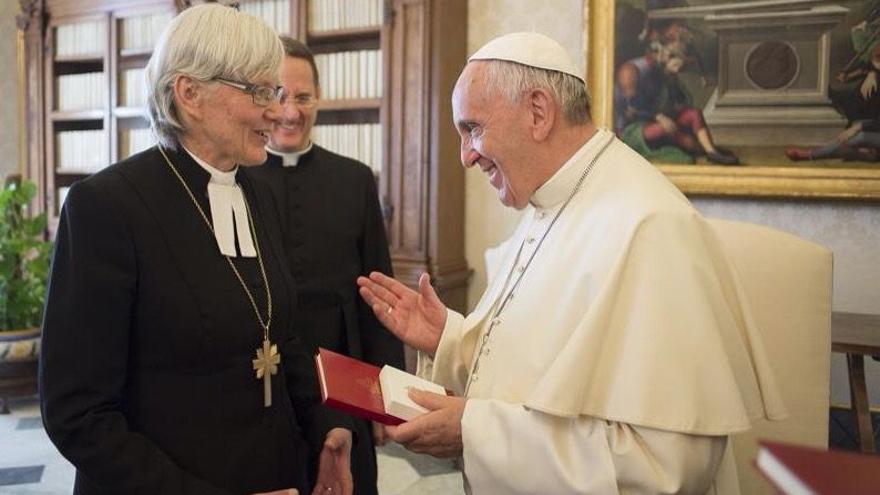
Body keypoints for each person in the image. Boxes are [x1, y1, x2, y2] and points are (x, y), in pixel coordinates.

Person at [357, 32, 786, 494]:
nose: (466, 156)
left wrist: (473, 431)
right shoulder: (551, 200)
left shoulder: (651, 227)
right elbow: (536, 366)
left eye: (473, 128)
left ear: (538, 112)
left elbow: (667, 468)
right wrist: (449, 339)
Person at [40, 5, 353, 495]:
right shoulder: (106, 206)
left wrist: (326, 427)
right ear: (190, 94)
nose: (277, 110)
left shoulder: (256, 191)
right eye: (259, 91)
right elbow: (77, 413)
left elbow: (280, 335)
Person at [247, 36, 404, 495]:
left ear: (319, 98)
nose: (291, 111)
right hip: (265, 379)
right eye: (278, 95)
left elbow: (378, 290)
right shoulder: (236, 179)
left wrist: (385, 393)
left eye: (303, 97)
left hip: (342, 369)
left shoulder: (354, 179)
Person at [615, 37, 739, 165]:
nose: (673, 58)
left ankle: (711, 152)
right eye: (670, 54)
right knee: (669, 129)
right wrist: (658, 116)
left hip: (657, 118)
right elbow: (632, 107)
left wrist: (671, 78)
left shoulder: (661, 69)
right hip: (634, 128)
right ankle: (699, 149)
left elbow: (681, 100)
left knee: (693, 113)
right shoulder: (631, 70)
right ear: (657, 51)